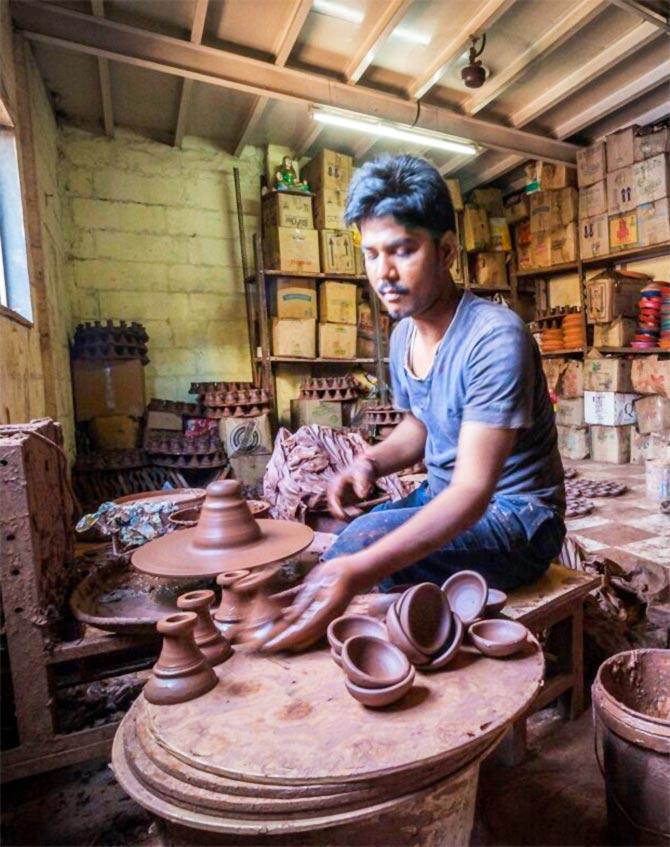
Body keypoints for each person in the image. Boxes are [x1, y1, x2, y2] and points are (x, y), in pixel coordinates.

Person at [259, 154, 565, 652]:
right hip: (449, 497)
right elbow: (419, 425)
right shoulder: (403, 334)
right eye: (372, 254)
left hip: (519, 519)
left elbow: (471, 492)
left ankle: (405, 645)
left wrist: (357, 570)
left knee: (360, 551)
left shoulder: (494, 337)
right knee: (349, 531)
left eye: (403, 251)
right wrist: (368, 462)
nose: (385, 274)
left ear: (446, 251)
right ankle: (396, 622)